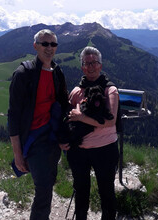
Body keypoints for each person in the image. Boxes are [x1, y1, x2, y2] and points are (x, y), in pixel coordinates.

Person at [8, 29, 69, 220]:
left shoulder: (57, 72)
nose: (49, 48)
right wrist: (18, 154)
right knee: (43, 189)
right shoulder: (24, 73)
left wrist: (65, 134)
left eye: (53, 44)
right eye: (45, 43)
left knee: (49, 182)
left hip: (51, 137)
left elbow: (64, 104)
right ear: (35, 46)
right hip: (33, 140)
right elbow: (14, 116)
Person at [60, 46, 119, 220]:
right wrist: (61, 140)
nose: (91, 67)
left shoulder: (110, 90)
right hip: (79, 151)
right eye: (87, 63)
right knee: (81, 191)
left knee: (106, 191)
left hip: (105, 149)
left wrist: (81, 117)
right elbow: (67, 119)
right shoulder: (76, 92)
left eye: (94, 63)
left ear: (101, 65)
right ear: (82, 68)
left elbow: (111, 121)